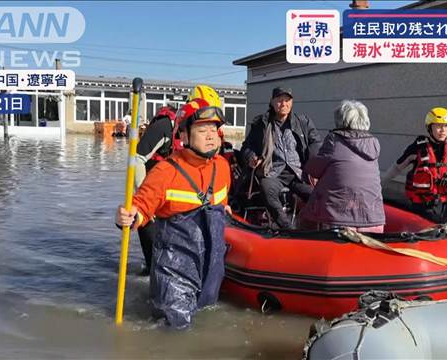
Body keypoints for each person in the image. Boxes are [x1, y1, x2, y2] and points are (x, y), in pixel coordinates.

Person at [115, 97, 231, 328]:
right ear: (185, 135)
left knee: (208, 320)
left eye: (214, 129)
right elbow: (142, 206)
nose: (210, 135)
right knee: (174, 330)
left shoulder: (223, 167)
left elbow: (222, 204)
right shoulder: (165, 171)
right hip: (174, 271)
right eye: (202, 129)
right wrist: (129, 216)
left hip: (210, 269)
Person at [132, 84, 220, 275]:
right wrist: (145, 201)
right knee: (157, 263)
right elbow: (137, 159)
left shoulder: (207, 137)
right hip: (154, 199)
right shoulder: (165, 126)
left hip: (182, 203)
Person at [382, 107, 447, 230]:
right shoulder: (417, 148)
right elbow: (395, 169)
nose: (442, 130)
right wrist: (376, 190)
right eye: (438, 126)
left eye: (446, 126)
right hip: (420, 207)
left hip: (443, 208)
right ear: (430, 127)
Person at [240, 86, 322, 229]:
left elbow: (315, 142)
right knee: (267, 189)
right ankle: (287, 228)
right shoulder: (261, 123)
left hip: (298, 173)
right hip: (273, 172)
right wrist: (251, 157)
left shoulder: (303, 122)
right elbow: (246, 147)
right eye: (279, 100)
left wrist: (313, 163)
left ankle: (308, 227)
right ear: (272, 102)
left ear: (292, 102)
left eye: (287, 100)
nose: (283, 104)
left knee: (317, 196)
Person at [299, 100, 385, 233]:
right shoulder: (373, 144)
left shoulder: (334, 141)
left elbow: (314, 170)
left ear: (340, 120)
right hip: (373, 217)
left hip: (339, 218)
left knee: (305, 218)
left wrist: (306, 162)